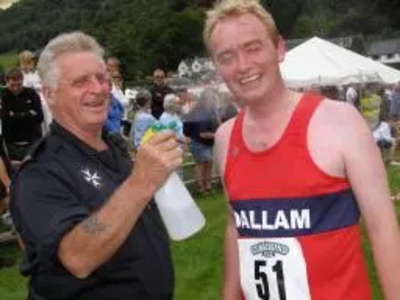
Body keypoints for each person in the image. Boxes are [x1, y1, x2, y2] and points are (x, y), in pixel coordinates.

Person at [204, 1, 400, 299]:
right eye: (227, 57)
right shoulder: (224, 137)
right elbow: (236, 224)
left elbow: (382, 228)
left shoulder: (340, 122)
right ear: (217, 67)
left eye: (253, 48)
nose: (243, 65)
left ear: (279, 49)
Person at [10, 31, 182, 299]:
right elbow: (77, 256)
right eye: (80, 81)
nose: (99, 88)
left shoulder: (115, 149)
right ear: (49, 94)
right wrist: (142, 182)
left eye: (101, 77)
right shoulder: (39, 173)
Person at [1, 68, 44, 163]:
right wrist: (28, 114)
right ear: (6, 82)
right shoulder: (3, 96)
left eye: (19, 85)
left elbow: (40, 117)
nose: (15, 88)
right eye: (12, 85)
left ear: (22, 81)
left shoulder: (31, 93)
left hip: (33, 141)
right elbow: (4, 118)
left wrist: (13, 115)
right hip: (11, 143)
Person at [183, 87, 220, 194]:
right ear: (205, 99)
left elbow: (217, 124)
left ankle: (208, 187)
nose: (213, 100)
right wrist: (217, 135)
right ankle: (201, 188)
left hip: (207, 142)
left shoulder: (211, 110)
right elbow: (203, 134)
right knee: (201, 164)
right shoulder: (199, 112)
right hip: (198, 142)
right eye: (212, 98)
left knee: (209, 163)